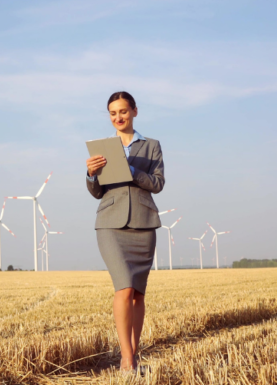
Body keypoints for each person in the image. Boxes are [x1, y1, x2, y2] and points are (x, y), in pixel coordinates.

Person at [85, 91, 165, 373]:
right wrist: (91, 175)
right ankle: (126, 360)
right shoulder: (103, 148)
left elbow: (157, 184)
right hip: (110, 222)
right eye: (112, 113)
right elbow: (97, 193)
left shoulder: (152, 146)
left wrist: (132, 170)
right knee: (124, 287)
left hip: (144, 223)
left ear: (134, 111)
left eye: (123, 111)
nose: (118, 117)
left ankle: (135, 351)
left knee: (138, 294)